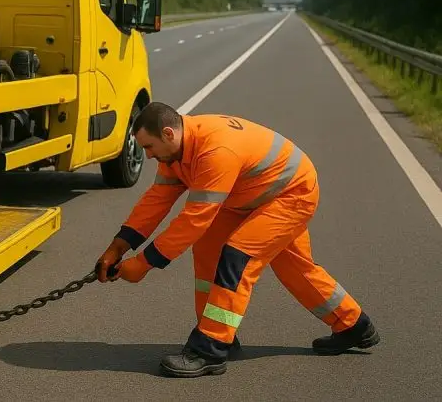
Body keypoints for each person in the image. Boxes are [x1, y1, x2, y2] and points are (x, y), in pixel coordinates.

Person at [96, 102, 380, 378]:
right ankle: (353, 324)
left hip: (290, 194)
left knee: (237, 257)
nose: (147, 156)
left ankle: (210, 349)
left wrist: (143, 264)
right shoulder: (176, 153)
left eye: (149, 147)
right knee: (220, 250)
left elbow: (194, 220)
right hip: (247, 197)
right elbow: (155, 202)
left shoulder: (215, 150)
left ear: (168, 134)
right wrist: (117, 247)